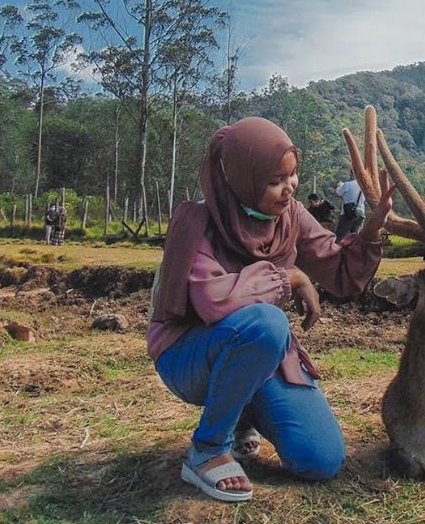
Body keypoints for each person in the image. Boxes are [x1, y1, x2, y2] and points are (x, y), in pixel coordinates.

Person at [148, 117, 394, 503]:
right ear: (240, 180)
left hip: (258, 354)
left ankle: (243, 414)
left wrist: (370, 232)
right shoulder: (195, 222)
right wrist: (290, 277)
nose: (288, 189)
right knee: (266, 323)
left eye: (293, 175)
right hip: (190, 354)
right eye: (273, 181)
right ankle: (208, 449)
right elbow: (214, 302)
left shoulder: (290, 216)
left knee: (321, 459)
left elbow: (340, 272)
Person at [334, 174, 365, 242]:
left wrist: (339, 186)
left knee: (340, 237)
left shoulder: (347, 184)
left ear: (352, 174)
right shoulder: (364, 186)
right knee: (356, 238)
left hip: (348, 214)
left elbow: (338, 193)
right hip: (360, 213)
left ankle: (338, 251)